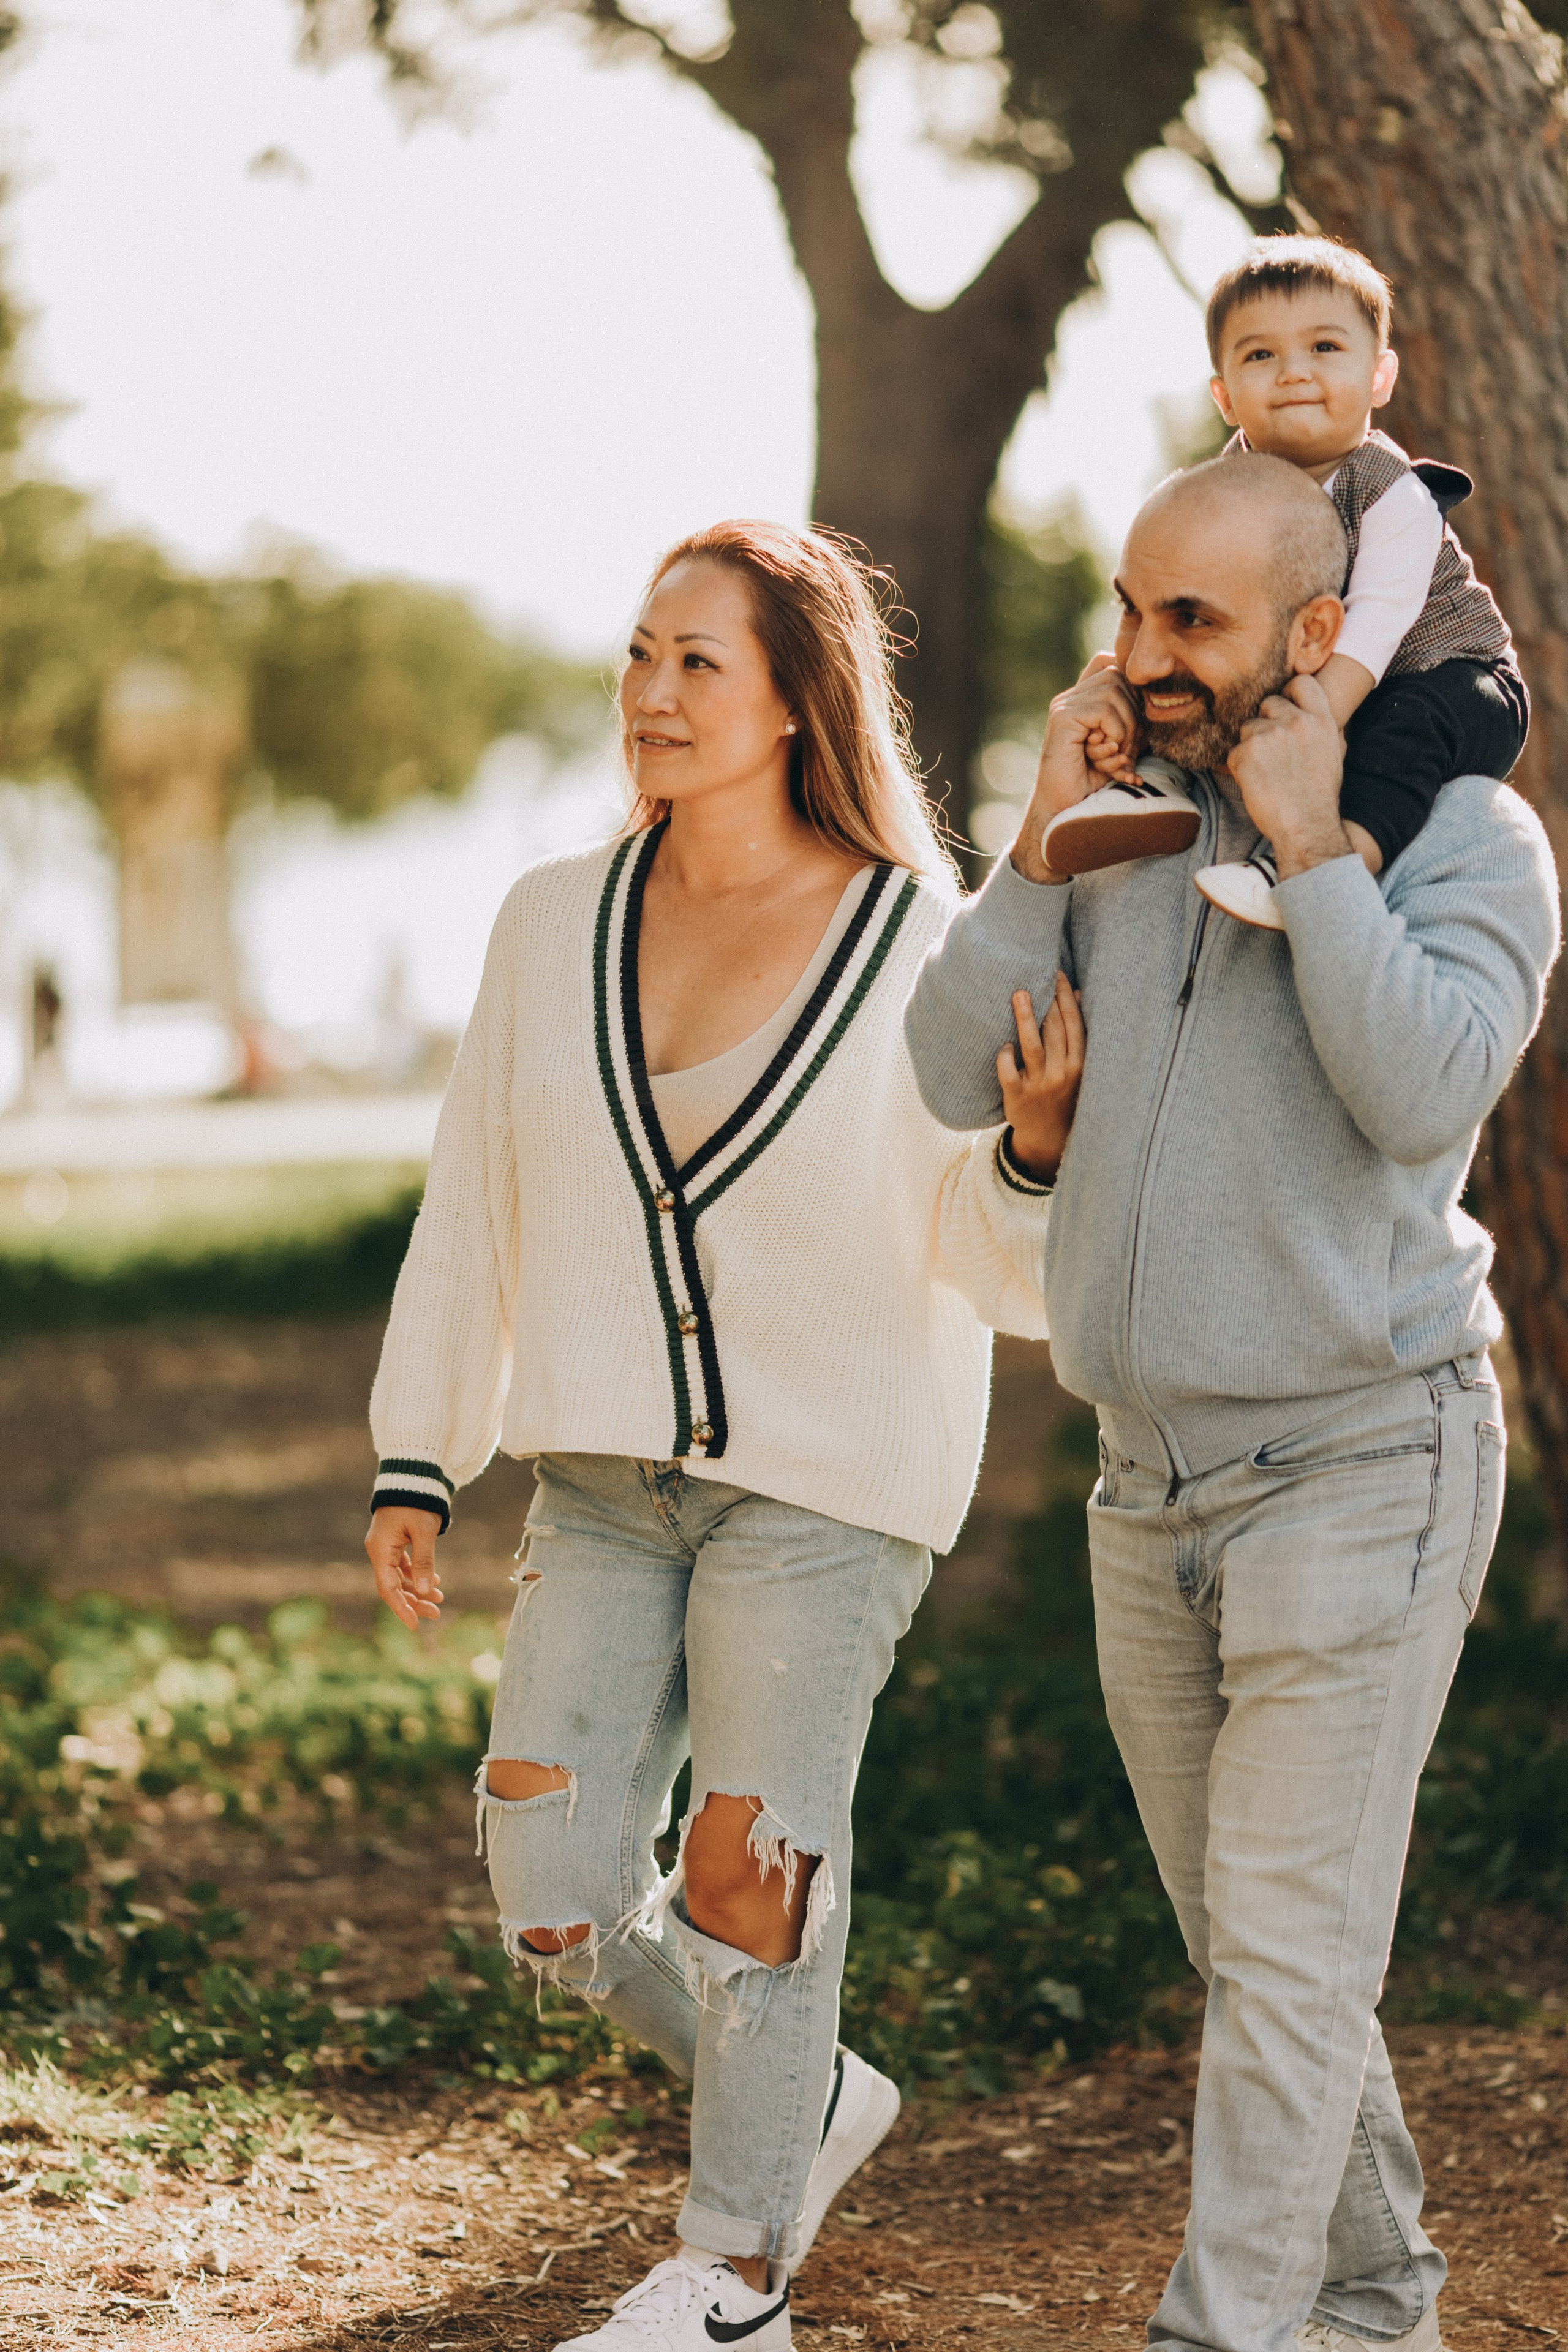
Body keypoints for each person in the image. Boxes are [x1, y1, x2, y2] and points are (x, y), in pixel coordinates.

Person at [363, 519, 1082, 2352]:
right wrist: (416, 1448)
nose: (653, 694)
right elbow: (477, 1193)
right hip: (599, 1481)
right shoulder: (551, 919)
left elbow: (993, 1266)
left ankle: (734, 2264)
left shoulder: (911, 938)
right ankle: (809, 2085)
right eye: (637, 654)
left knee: (758, 1873)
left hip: (827, 1484)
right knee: (550, 1891)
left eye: (699, 660)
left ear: (790, 697)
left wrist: (1036, 1148)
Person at [903, 453, 1558, 2352]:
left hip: (1365, 1456)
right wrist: (1034, 839)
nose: (1141, 653)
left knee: (1280, 1965)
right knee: (1261, 1963)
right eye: (1126, 605)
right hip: (1143, 1485)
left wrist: (1315, 851)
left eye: (1188, 617)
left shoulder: (1466, 842)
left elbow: (1425, 1088)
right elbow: (952, 1072)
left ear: (1319, 632)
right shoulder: (1113, 826)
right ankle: (1372, 2312)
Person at [1047, 235, 1528, 933]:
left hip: (1442, 674)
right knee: (1167, 665)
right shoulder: (1220, 494)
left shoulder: (1393, 495)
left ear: (1379, 377)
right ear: (1224, 396)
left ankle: (1319, 859)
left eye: (1325, 349)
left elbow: (1372, 632)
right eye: (1259, 355)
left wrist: (1299, 738)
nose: (1293, 373)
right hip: (1308, 673)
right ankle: (1149, 786)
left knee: (1402, 734)